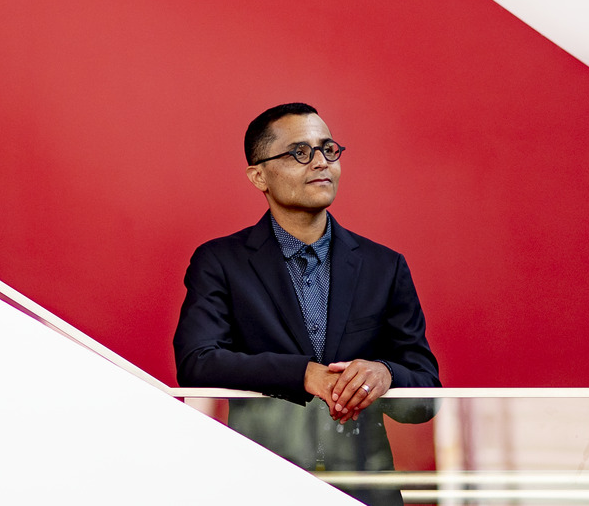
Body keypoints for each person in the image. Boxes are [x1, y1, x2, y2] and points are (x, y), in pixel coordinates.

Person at [173, 103, 439, 505]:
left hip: (363, 491)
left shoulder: (384, 266)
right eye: (300, 152)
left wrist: (385, 373)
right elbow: (197, 362)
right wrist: (305, 374)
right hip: (262, 486)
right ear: (259, 176)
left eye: (328, 149)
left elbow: (426, 394)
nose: (320, 162)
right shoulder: (221, 261)